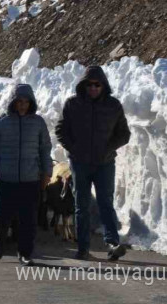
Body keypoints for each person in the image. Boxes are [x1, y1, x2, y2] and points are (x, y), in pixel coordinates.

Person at [55, 66, 131, 261]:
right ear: (84, 85)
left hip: (104, 164)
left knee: (106, 203)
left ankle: (113, 243)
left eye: (97, 84)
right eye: (89, 84)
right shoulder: (73, 104)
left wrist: (108, 148)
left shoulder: (113, 105)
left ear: (103, 85)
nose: (93, 88)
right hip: (80, 163)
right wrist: (74, 148)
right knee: (82, 205)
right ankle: (83, 247)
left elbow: (124, 134)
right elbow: (60, 129)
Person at [0, 84, 52, 266]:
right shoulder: (2, 122)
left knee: (28, 219)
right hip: (7, 178)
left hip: (31, 179)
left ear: (31, 103)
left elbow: (45, 149)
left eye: (26, 102)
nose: (22, 105)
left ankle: (25, 252)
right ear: (13, 102)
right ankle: (0, 238)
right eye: (19, 101)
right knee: (3, 215)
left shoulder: (38, 123)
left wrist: (46, 173)